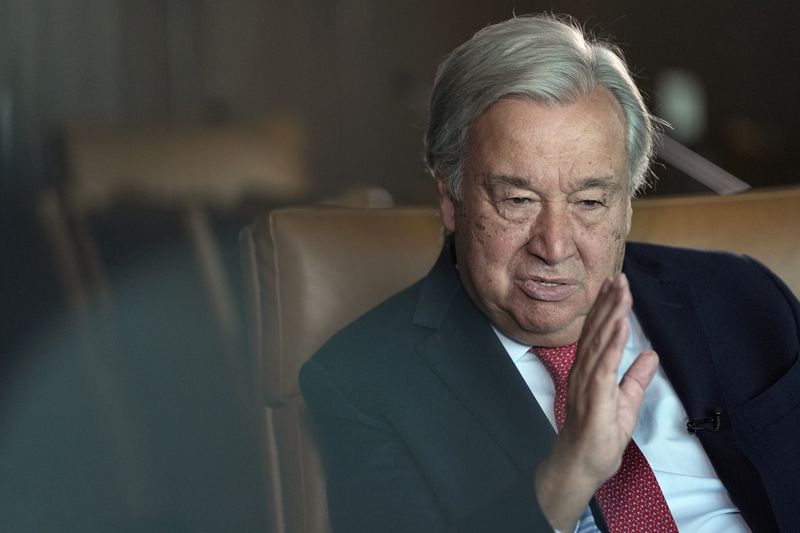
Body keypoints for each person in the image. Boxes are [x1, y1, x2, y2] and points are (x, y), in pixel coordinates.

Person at [300, 14, 799, 532]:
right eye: (517, 200)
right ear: (450, 198)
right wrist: (571, 472)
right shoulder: (362, 382)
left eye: (589, 201)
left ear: (626, 203)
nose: (554, 245)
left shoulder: (744, 296)